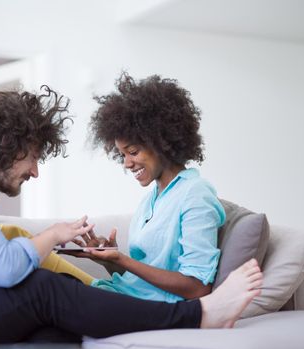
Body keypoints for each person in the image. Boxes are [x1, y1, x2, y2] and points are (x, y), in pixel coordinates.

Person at [0, 86, 262, 349]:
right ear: (10, 146)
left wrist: (115, 258)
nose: (35, 171)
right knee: (43, 289)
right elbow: (2, 268)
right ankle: (200, 317)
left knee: (58, 323)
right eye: (34, 157)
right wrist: (52, 234)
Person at [66, 72, 226, 303]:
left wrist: (122, 259)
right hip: (125, 296)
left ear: (162, 141)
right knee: (46, 282)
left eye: (133, 152)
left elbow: (197, 287)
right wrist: (110, 262)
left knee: (46, 288)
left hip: (155, 310)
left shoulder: (195, 194)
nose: (127, 163)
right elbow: (140, 282)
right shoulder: (151, 199)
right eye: (122, 155)